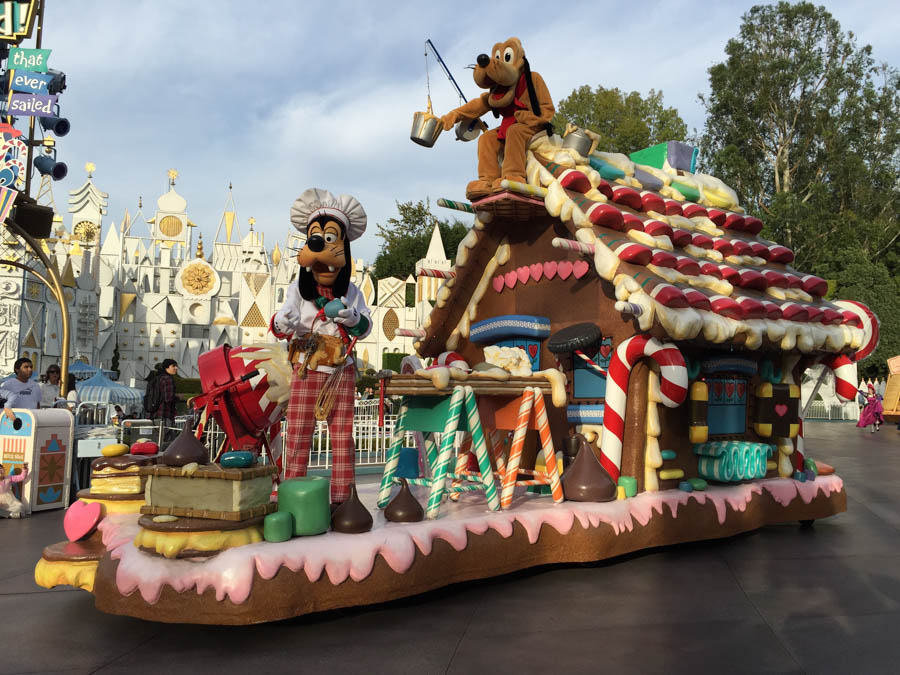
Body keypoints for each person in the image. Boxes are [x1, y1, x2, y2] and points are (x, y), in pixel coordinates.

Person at [149, 359, 178, 435]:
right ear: (166, 367)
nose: (176, 368)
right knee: (167, 440)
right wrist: (178, 398)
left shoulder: (157, 378)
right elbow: (168, 398)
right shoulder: (168, 379)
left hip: (153, 413)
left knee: (156, 439)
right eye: (173, 366)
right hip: (165, 414)